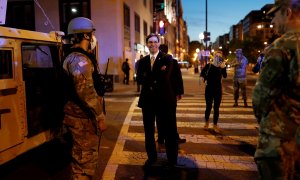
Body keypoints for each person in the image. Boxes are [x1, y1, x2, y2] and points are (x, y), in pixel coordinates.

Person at [252, 0, 300, 179]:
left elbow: (260, 98)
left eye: (276, 15)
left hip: (280, 143)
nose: (273, 21)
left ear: (288, 13)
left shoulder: (282, 46)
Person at [62, 17, 106, 180]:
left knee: (81, 156)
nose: (93, 37)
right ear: (86, 36)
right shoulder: (79, 59)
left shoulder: (73, 57)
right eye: (91, 33)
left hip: (78, 116)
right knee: (85, 160)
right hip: (81, 117)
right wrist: (100, 116)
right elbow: (86, 92)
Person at [137, 34, 179, 168]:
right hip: (148, 102)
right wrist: (155, 76)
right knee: (149, 132)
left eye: (155, 42)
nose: (152, 44)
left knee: (168, 130)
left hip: (164, 101)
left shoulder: (167, 58)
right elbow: (139, 80)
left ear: (159, 43)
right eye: (150, 42)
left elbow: (164, 78)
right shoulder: (142, 61)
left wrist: (148, 77)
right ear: (147, 44)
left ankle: (172, 159)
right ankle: (151, 157)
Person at [156, 44, 186, 146]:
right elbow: (178, 78)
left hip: (160, 95)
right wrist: (179, 93)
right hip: (170, 94)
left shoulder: (156, 61)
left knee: (160, 117)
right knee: (171, 117)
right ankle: (173, 137)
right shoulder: (172, 62)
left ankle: (161, 139)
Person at [200, 51, 227, 133]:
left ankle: (215, 124)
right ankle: (206, 122)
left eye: (219, 56)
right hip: (209, 88)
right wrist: (204, 79)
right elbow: (202, 73)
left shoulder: (222, 66)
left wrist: (223, 68)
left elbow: (225, 76)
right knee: (208, 106)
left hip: (218, 89)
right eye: (216, 56)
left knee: (216, 108)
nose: (218, 57)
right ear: (214, 57)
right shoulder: (209, 65)